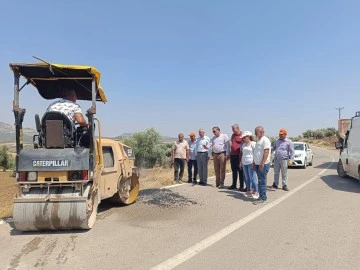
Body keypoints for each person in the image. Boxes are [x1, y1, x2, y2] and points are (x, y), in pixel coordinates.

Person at [252, 126, 271, 205]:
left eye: (256, 132)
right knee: (260, 181)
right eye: (255, 132)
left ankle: (262, 198)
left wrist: (262, 163)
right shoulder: (258, 140)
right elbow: (256, 152)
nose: (255, 133)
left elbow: (266, 152)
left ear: (262, 132)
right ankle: (262, 196)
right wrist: (253, 162)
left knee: (261, 181)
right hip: (257, 164)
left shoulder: (265, 140)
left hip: (263, 164)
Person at [239, 131, 258, 199]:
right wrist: (241, 162)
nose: (243, 139)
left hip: (251, 163)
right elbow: (242, 154)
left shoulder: (253, 144)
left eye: (244, 137)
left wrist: (253, 162)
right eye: (243, 138)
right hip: (244, 163)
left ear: (248, 137)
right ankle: (249, 190)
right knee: (247, 178)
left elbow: (255, 154)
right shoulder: (243, 145)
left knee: (252, 178)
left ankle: (256, 191)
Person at [229, 124, 246, 191]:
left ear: (238, 128)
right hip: (233, 155)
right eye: (232, 129)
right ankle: (234, 184)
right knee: (234, 171)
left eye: (233, 129)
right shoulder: (233, 135)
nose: (232, 130)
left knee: (240, 171)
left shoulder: (242, 135)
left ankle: (241, 185)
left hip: (239, 155)